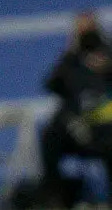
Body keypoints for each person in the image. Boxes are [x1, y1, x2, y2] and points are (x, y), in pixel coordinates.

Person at [31, 11, 112, 208]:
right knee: (50, 137)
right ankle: (56, 199)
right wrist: (71, 50)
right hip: (79, 131)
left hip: (106, 131)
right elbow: (52, 85)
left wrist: (106, 65)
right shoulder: (72, 61)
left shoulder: (107, 55)